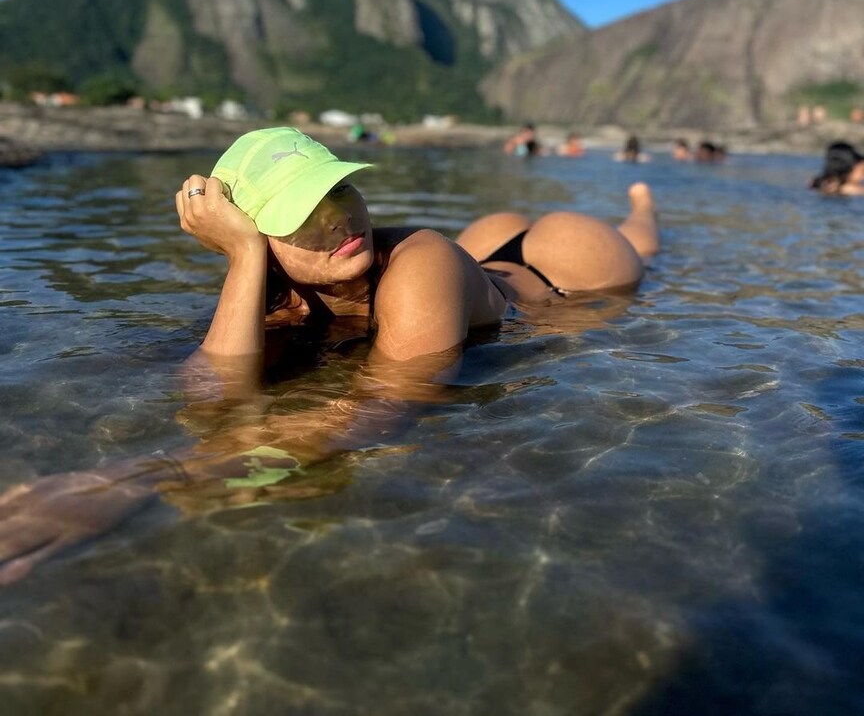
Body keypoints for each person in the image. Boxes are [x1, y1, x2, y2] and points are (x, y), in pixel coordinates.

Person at [0, 127, 659, 583]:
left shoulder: (419, 261)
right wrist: (245, 259)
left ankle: (643, 205)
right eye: (300, 212)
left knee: (641, 246)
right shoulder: (275, 291)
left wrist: (151, 475)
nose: (338, 219)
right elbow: (209, 395)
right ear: (252, 237)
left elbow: (390, 401)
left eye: (339, 189)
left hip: (561, 272)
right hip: (482, 255)